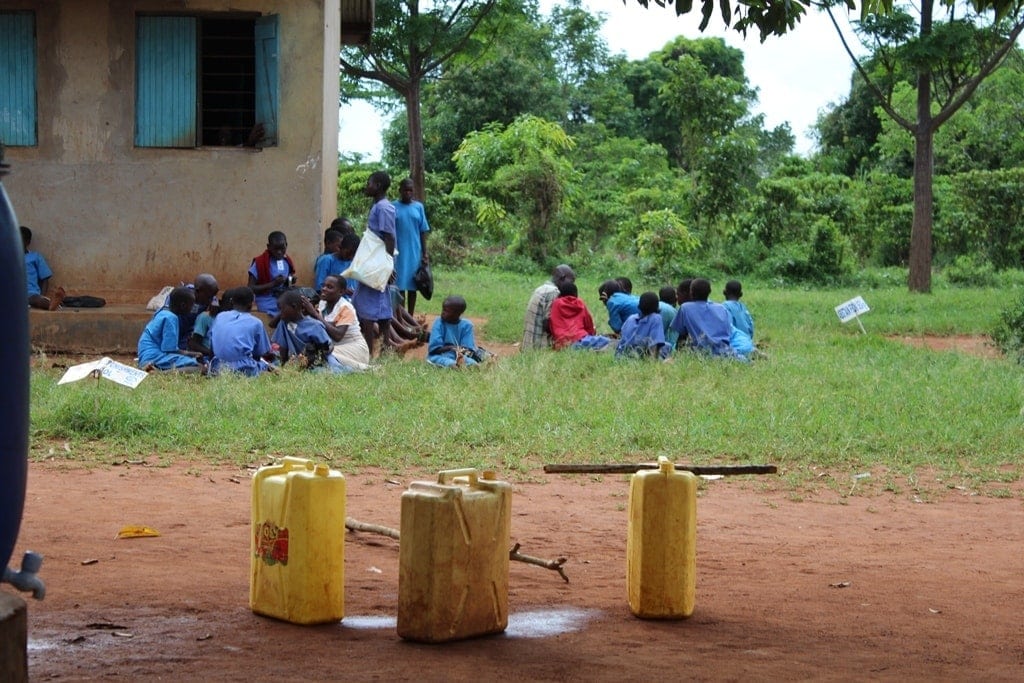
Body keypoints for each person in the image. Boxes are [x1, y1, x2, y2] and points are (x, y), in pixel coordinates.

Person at [350, 171, 397, 357]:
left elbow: (389, 236)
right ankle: (385, 349)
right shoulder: (379, 206)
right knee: (381, 303)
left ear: (377, 186)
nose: (366, 186)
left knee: (367, 307)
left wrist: (387, 265)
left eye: (369, 183)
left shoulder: (384, 208)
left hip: (378, 263)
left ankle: (369, 352)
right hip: (374, 261)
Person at [272, 290, 345, 373]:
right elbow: (283, 347)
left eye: (282, 309)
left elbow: (329, 347)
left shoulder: (314, 325)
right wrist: (283, 365)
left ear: (294, 306)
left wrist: (315, 355)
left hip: (319, 361)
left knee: (325, 372)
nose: (280, 313)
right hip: (297, 360)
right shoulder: (284, 323)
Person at [209, 286, 274, 376]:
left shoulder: (220, 316)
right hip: (243, 368)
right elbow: (260, 353)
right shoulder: (256, 323)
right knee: (271, 366)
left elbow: (212, 346)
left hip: (217, 367)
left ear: (231, 301)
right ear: (251, 304)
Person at [670, 278, 741, 358]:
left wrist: (677, 356)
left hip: (702, 353)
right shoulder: (721, 308)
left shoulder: (685, 308)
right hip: (725, 351)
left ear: (691, 293)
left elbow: (682, 337)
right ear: (709, 292)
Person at [137, 287, 203, 372]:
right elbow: (168, 349)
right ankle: (159, 373)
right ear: (183, 306)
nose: (193, 308)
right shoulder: (171, 318)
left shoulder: (163, 310)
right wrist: (190, 354)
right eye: (192, 305)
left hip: (145, 355)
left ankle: (153, 368)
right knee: (199, 367)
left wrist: (189, 354)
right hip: (153, 357)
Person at [313, 274, 371, 372]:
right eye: (323, 285)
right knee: (314, 353)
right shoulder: (323, 304)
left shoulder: (346, 307)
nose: (324, 289)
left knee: (322, 354)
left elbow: (338, 336)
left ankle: (366, 369)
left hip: (355, 349)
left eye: (329, 287)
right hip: (336, 348)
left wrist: (315, 315)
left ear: (341, 292)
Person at [392, 178, 430, 315]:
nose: (408, 193)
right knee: (400, 285)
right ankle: (401, 316)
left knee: (413, 286)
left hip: (414, 251)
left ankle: (411, 315)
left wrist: (424, 253)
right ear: (400, 190)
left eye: (411, 190)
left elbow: (422, 231)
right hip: (398, 252)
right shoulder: (393, 206)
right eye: (405, 190)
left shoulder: (418, 207)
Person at [522, 264, 576, 350]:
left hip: (528, 344)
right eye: (571, 281)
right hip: (539, 347)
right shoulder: (554, 292)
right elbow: (548, 324)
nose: (572, 285)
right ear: (562, 278)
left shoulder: (542, 288)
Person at [548, 282, 610, 351]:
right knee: (606, 341)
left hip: (562, 343)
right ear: (575, 293)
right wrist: (592, 334)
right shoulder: (579, 303)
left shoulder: (556, 304)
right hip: (580, 338)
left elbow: (552, 323)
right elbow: (588, 323)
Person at [427, 295, 483, 368]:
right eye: (443, 309)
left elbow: (467, 349)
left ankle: (465, 365)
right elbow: (434, 350)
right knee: (448, 362)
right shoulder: (439, 323)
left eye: (446, 311)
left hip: (458, 356)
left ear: (458, 313)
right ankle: (454, 365)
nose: (442, 313)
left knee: (472, 363)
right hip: (439, 355)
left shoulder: (466, 326)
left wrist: (460, 353)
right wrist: (451, 348)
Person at [248, 231, 295, 316]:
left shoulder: (287, 261)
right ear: (269, 247)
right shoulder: (260, 263)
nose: (279, 252)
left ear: (286, 245)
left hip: (283, 296)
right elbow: (250, 288)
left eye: (282, 248)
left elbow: (289, 281)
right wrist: (273, 284)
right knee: (287, 309)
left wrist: (290, 280)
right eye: (276, 249)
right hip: (266, 299)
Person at [616, 292, 669, 359]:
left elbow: (622, 335)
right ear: (657, 306)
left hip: (622, 354)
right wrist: (654, 363)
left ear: (639, 305)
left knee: (666, 345)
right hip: (638, 355)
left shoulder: (631, 318)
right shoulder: (656, 318)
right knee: (667, 347)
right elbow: (654, 343)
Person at [21, 226, 61, 310]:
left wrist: (42, 295)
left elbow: (45, 279)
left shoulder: (35, 257)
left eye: (21, 240)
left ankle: (52, 304)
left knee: (37, 300)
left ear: (28, 242)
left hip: (30, 293)